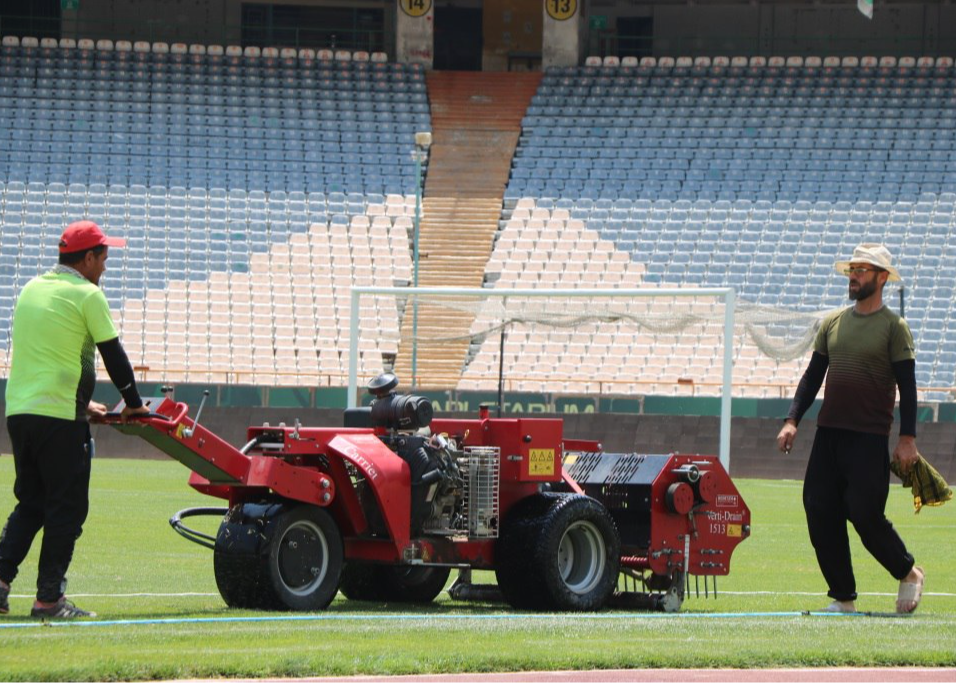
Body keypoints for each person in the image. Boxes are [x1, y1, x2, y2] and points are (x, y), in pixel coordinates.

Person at [0, 220, 151, 619]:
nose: (104, 267)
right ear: (87, 259)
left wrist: (85, 407)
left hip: (21, 412)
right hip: (59, 418)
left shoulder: (31, 289)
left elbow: (44, 359)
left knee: (31, 502)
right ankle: (49, 599)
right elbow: (112, 355)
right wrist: (132, 402)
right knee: (67, 509)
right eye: (103, 259)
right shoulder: (88, 294)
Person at [776, 243, 924, 614]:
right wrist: (792, 420)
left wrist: (907, 439)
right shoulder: (833, 323)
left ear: (882, 277)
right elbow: (812, 377)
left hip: (869, 438)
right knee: (818, 508)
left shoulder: (894, 327)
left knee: (863, 513)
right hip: (829, 436)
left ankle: (908, 573)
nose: (854, 276)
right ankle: (843, 599)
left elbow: (907, 386)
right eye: (852, 269)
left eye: (863, 269)